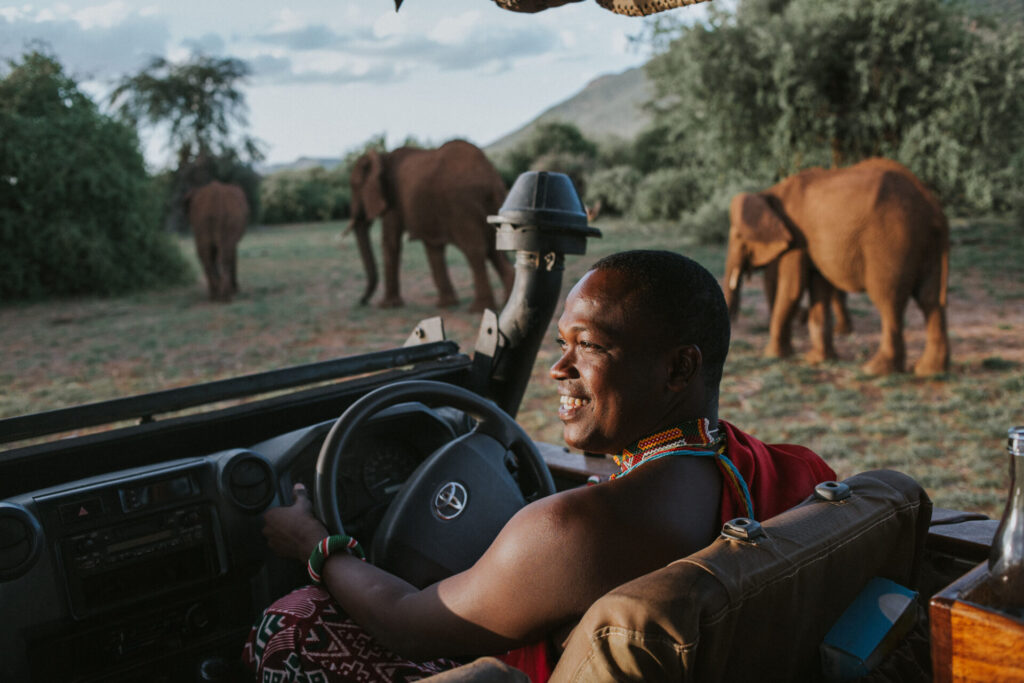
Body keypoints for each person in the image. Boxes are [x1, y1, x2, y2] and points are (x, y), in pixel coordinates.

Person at [242, 249, 836, 681]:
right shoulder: (782, 468)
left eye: (593, 346)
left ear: (679, 370)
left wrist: (316, 544)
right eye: (560, 345)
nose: (559, 369)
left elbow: (401, 621)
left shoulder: (576, 530)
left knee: (296, 619)